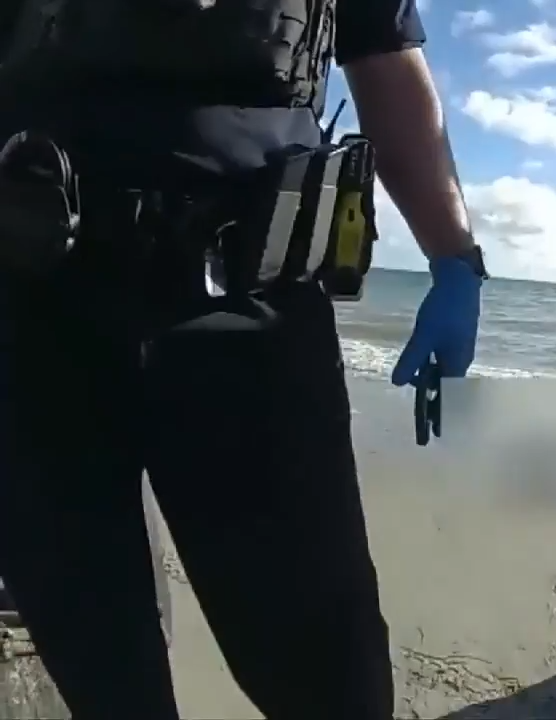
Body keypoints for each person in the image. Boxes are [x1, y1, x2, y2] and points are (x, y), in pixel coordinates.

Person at [0, 0, 485, 717]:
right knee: (97, 662)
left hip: (251, 319)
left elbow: (384, 58)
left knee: (328, 675)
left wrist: (454, 258)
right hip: (30, 312)